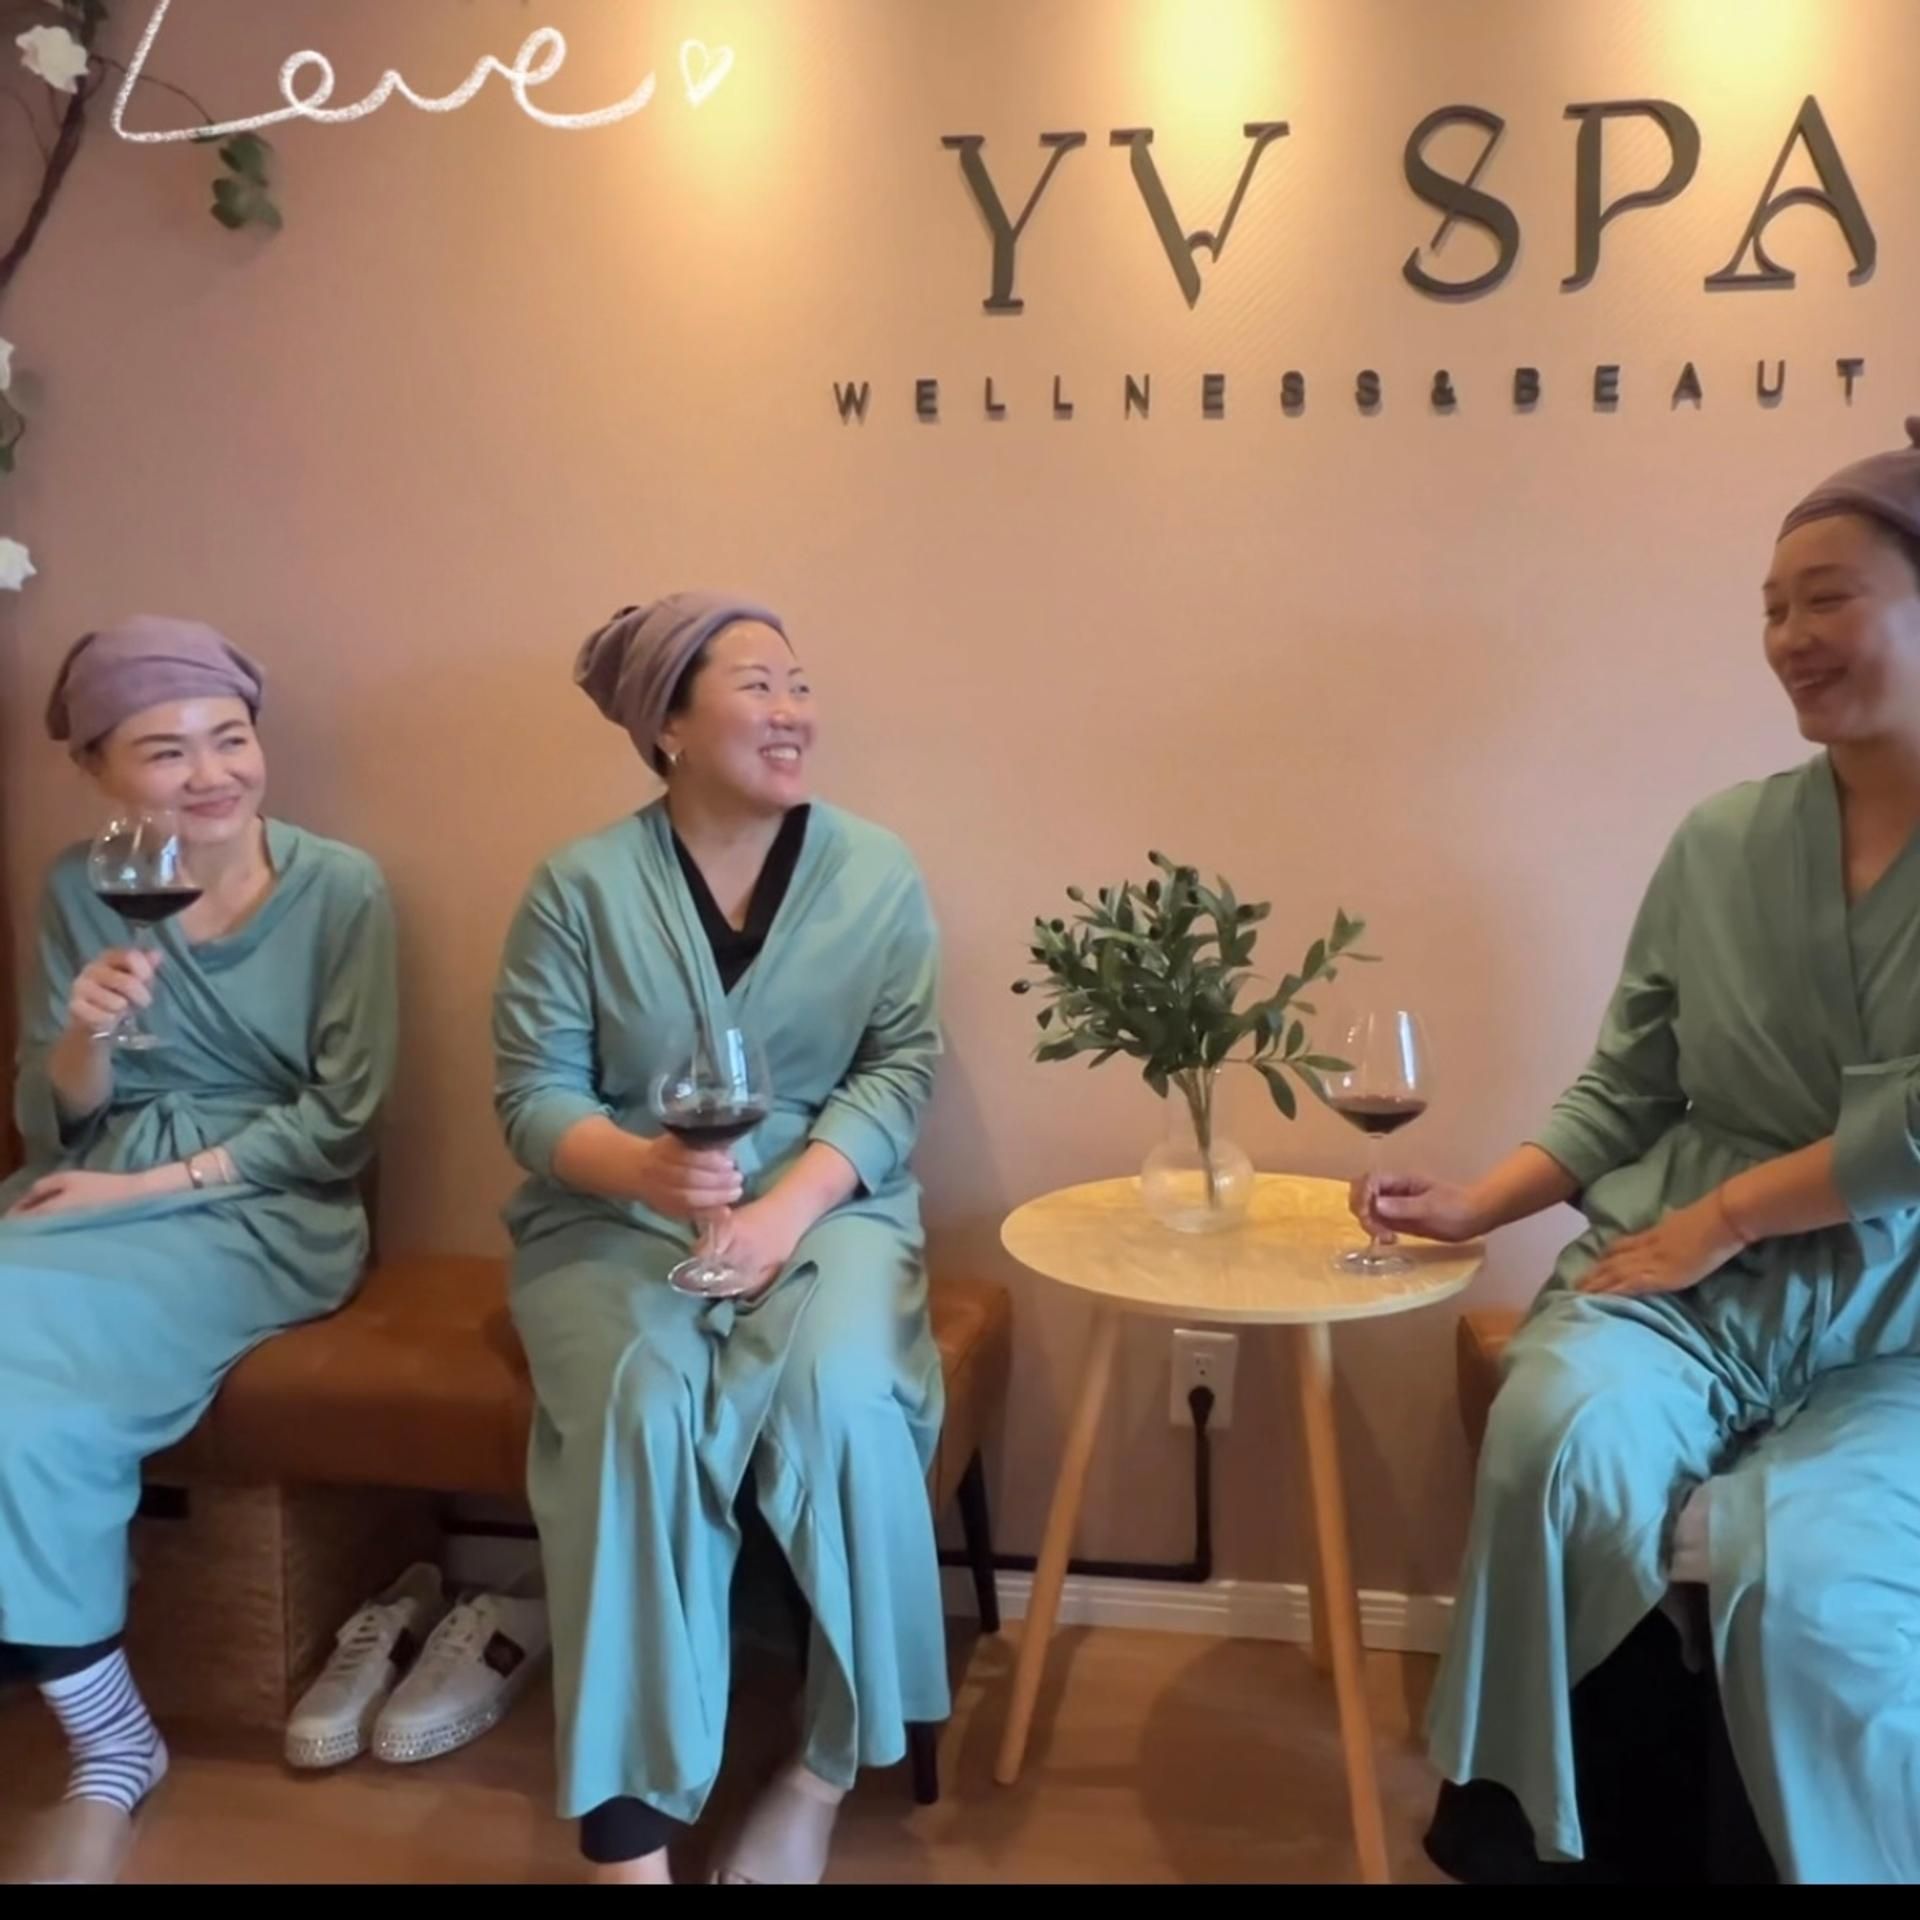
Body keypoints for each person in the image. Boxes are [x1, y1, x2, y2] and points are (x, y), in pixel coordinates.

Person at [1354, 420, 1920, 1885]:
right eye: (1772, 608)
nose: (1790, 637)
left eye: (1830, 596)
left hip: (1897, 1321)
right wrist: (1476, 1201)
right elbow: (1630, 1081)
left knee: (1815, 1600)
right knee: (1557, 1441)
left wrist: (1727, 1218)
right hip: (1693, 1285)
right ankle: (1542, 1845)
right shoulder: (1721, 842)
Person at [494, 593, 948, 1885]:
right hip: (610, 1216)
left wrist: (786, 1206)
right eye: (757, 686)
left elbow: (903, 1064)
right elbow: (531, 1097)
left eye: (799, 683)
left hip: (832, 1203)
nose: (793, 711)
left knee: (843, 1398)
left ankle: (816, 1774)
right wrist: (645, 1167)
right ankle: (628, 1837)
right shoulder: (577, 887)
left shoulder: (877, 870)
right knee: (640, 1403)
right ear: (668, 726)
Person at [0, 617, 398, 1885]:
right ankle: (82, 1698)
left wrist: (141, 1195)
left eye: (231, 739)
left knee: (22, 1386)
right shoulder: (82, 886)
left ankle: (109, 1748)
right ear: (98, 770)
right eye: (166, 751)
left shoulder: (343, 891)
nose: (213, 773)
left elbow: (341, 1125)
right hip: (88, 1184)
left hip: (258, 1210)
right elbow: (50, 1116)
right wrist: (83, 1037)